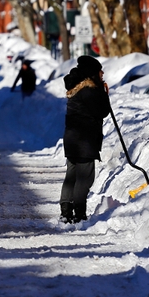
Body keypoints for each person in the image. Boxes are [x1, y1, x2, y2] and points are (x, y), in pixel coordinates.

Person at [59, 55, 111, 224]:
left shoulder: (77, 88)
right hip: (85, 139)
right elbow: (102, 111)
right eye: (99, 70)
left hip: (72, 138)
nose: (102, 73)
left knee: (72, 175)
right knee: (85, 177)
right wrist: (104, 94)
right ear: (92, 73)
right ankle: (79, 213)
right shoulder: (89, 91)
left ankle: (66, 211)